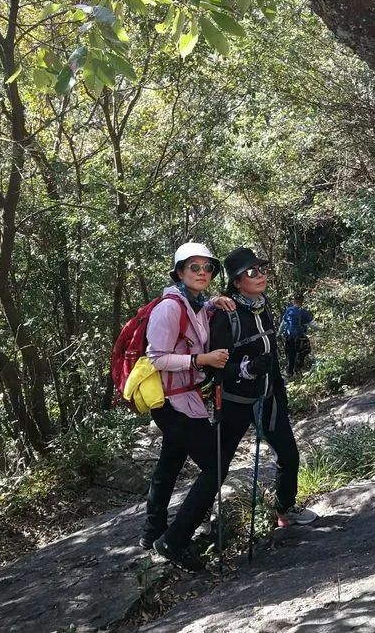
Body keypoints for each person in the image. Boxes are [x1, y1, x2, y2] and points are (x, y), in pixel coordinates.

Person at [209, 247, 317, 528]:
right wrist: (247, 368)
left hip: (267, 396)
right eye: (251, 272)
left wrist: (280, 391)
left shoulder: (263, 304)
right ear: (236, 281)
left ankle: (285, 508)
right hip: (235, 401)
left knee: (288, 453)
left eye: (262, 270)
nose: (260, 276)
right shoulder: (225, 314)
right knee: (218, 463)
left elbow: (272, 357)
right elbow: (215, 365)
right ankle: (201, 518)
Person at [142, 242, 232, 572]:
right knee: (216, 464)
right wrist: (200, 360)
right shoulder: (169, 308)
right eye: (194, 268)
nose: (202, 273)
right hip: (172, 402)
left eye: (207, 268)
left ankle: (152, 530)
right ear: (179, 272)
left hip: (183, 397)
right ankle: (174, 540)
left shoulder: (194, 304)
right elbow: (156, 357)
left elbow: (197, 322)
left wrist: (213, 303)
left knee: (170, 462)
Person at [280, 293, 320, 376]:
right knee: (305, 350)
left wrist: (278, 333)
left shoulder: (289, 310)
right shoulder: (304, 312)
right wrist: (323, 329)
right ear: (302, 302)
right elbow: (313, 325)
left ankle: (290, 372)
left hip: (289, 337)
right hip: (300, 337)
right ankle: (297, 369)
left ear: (294, 301)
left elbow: (283, 324)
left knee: (291, 354)